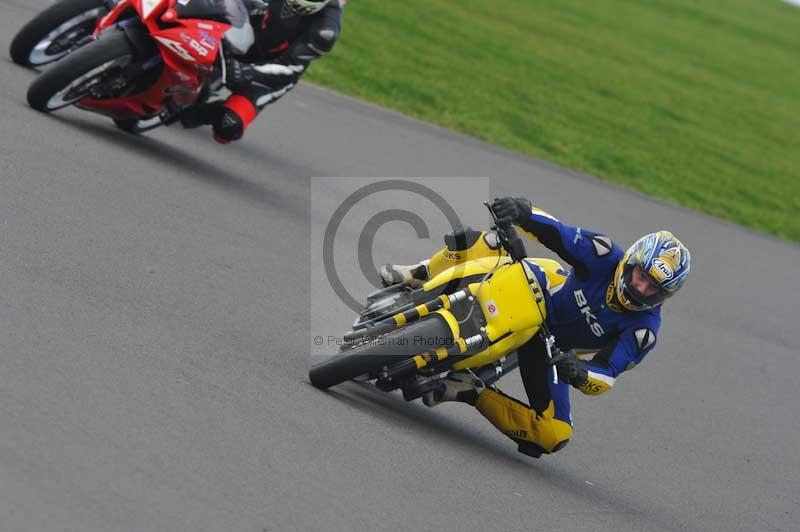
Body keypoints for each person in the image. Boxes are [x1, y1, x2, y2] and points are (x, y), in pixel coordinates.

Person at [381, 196, 691, 457]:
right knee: (489, 240)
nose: (641, 289)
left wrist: (580, 373)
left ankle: (470, 391)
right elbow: (558, 233)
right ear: (633, 261)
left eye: (654, 288)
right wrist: (522, 211)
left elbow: (607, 375)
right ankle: (421, 273)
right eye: (641, 276)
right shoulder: (604, 253)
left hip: (550, 347)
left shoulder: (644, 330)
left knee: (554, 434)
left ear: (666, 295)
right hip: (538, 288)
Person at [180, 0, 342, 144]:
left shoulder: (325, 31)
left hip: (269, 75)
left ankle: (202, 112)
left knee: (229, 125)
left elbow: (289, 69)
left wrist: (247, 72)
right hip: (244, 36)